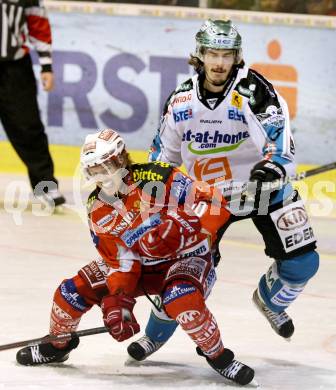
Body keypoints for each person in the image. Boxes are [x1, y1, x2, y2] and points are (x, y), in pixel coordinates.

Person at [127, 19, 319, 361]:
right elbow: (161, 158)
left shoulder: (254, 91)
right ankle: (154, 334)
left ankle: (270, 300)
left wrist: (269, 170)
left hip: (262, 189)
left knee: (304, 262)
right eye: (212, 54)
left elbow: (279, 143)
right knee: (184, 273)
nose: (219, 63)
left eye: (226, 55)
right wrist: (159, 196)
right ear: (200, 55)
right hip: (210, 197)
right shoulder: (182, 100)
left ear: (236, 57)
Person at [15, 129, 255, 386]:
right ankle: (57, 345)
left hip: (185, 259)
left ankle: (218, 355)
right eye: (94, 170)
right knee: (70, 292)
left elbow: (214, 202)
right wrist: (119, 302)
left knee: (181, 299)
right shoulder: (98, 210)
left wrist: (194, 227)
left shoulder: (158, 176)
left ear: (122, 159)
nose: (102, 176)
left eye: (107, 165)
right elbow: (120, 262)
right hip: (140, 268)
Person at [0, 0, 65, 206]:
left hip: (14, 68)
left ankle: (44, 185)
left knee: (28, 127)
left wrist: (46, 65)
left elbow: (38, 21)